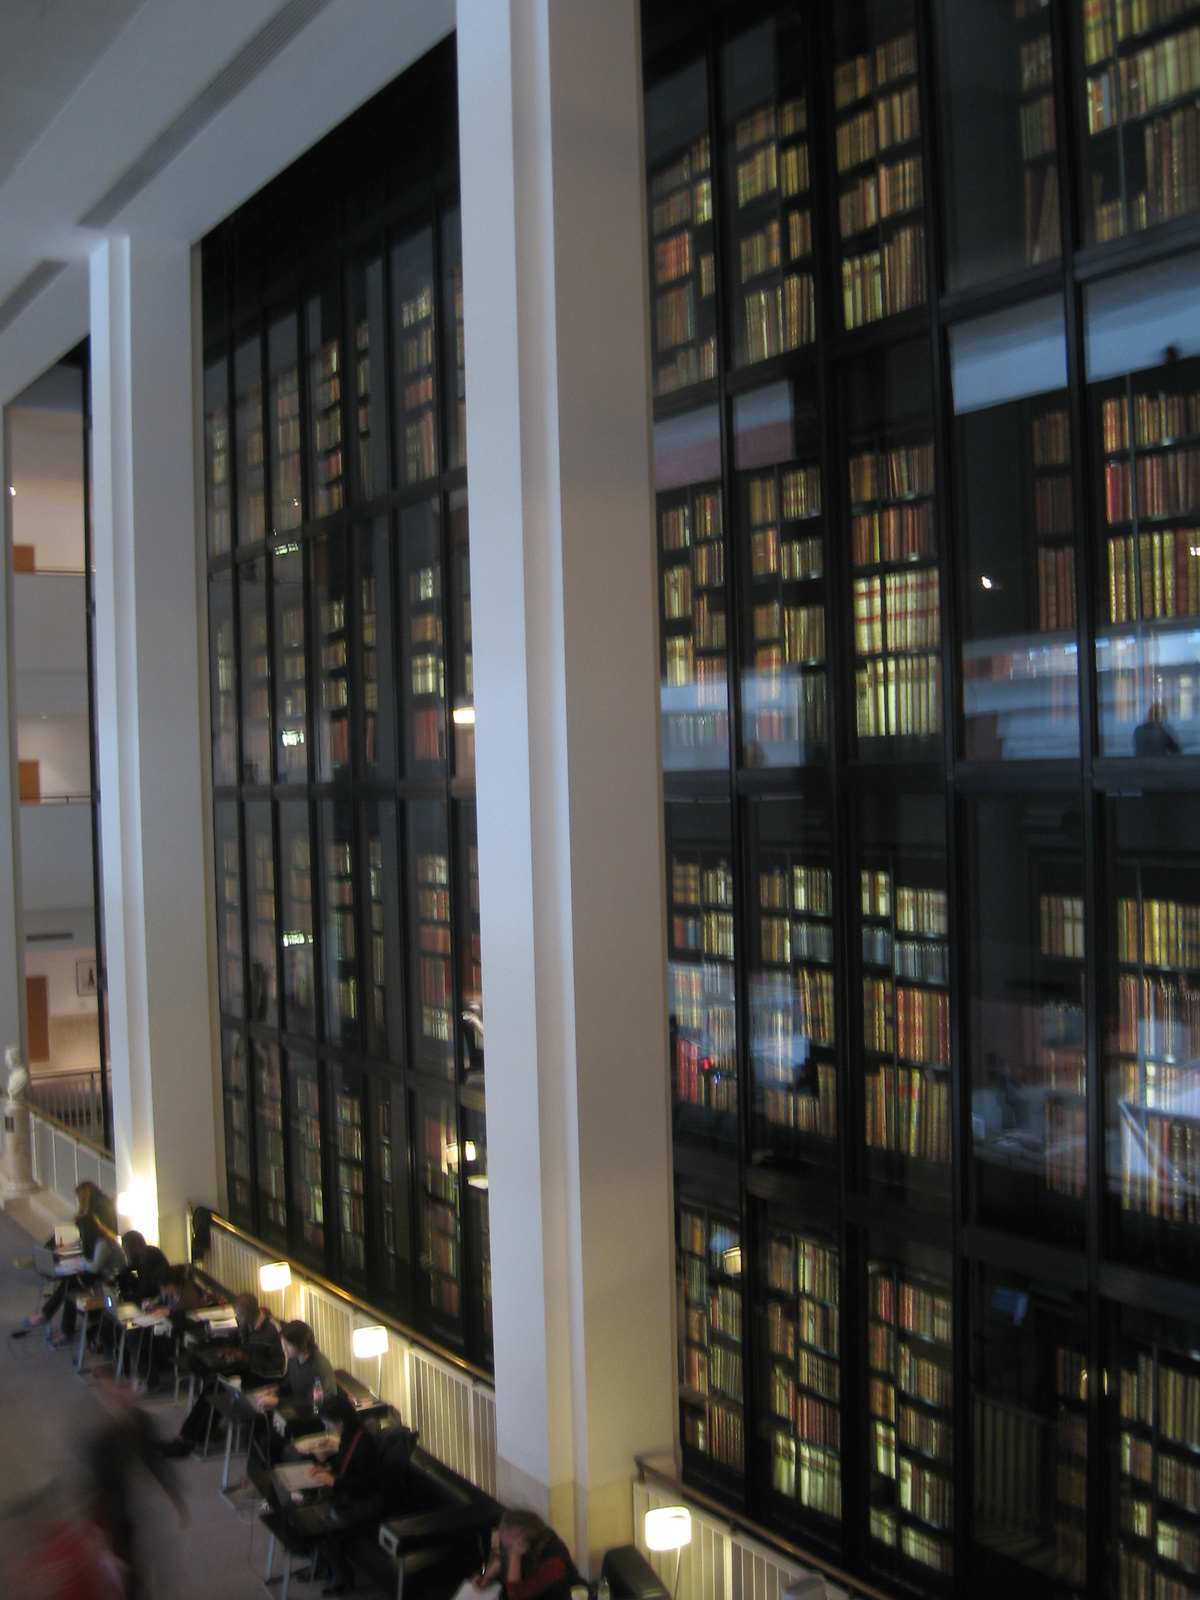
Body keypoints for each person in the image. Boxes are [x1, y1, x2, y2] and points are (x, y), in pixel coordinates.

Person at [308, 1391, 383, 1595]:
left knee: (323, 1528)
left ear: (339, 1421)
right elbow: (345, 1466)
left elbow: (367, 1485)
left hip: (365, 1503)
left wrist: (334, 1482)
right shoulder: (349, 1435)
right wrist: (327, 1470)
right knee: (311, 1516)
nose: (327, 1427)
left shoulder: (363, 1441)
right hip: (354, 1496)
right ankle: (327, 1568)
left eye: (329, 1423)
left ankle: (342, 1577)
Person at [245, 1320, 336, 1474]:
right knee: (255, 1423)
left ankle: (270, 1480)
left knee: (270, 1440)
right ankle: (255, 1475)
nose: (284, 1348)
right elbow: (288, 1383)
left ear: (301, 1345)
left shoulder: (318, 1369)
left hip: (314, 1420)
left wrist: (278, 1401)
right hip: (298, 1409)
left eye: (287, 1344)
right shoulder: (295, 1359)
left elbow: (314, 1406)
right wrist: (273, 1390)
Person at [473, 1509, 582, 1600]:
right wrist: (487, 1577)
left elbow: (518, 1596)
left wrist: (514, 1556)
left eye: (509, 1546)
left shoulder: (554, 1563)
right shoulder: (519, 1546)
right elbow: (502, 1558)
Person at [117, 1231, 168, 1305]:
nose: (126, 1253)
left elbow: (145, 1290)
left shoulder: (150, 1259)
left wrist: (127, 1298)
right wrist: (116, 1278)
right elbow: (130, 1268)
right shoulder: (145, 1254)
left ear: (136, 1247)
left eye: (127, 1250)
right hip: (150, 1295)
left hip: (156, 1300)